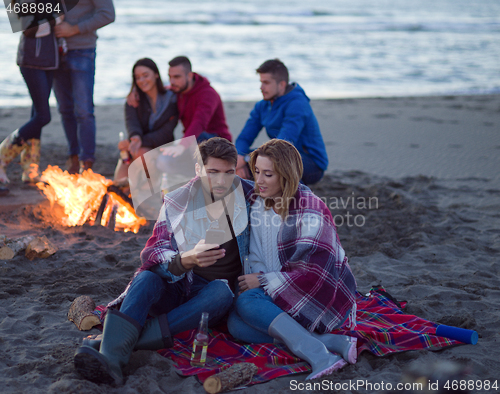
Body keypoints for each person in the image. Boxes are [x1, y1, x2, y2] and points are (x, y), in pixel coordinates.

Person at [73, 137, 254, 386]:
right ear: (198, 170)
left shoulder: (249, 195)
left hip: (211, 298)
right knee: (146, 277)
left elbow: (289, 190)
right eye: (213, 172)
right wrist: (185, 261)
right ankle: (114, 358)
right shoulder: (178, 200)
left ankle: (112, 349)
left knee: (222, 292)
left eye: (228, 173)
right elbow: (152, 254)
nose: (221, 181)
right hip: (178, 286)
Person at [228, 139, 357, 380]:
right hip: (275, 288)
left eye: (268, 174)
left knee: (246, 304)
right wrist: (263, 283)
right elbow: (255, 254)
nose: (259, 180)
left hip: (313, 294)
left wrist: (264, 282)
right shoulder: (256, 204)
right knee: (235, 325)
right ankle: (329, 342)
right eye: (256, 172)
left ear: (286, 176)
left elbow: (315, 274)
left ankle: (318, 354)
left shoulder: (310, 209)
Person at [0, 0, 63, 196]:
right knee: (44, 117)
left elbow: (57, 19)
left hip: (51, 61)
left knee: (37, 114)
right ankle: (2, 156)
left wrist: (48, 19)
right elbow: (28, 30)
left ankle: (29, 171)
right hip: (30, 60)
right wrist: (53, 20)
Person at [235, 59, 329, 185]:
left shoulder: (297, 104)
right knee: (238, 168)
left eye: (266, 83)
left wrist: (247, 159)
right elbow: (244, 138)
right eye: (261, 82)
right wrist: (239, 158)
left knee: (278, 167)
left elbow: (282, 144)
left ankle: (294, 200)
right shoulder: (262, 106)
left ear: (282, 84)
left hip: (310, 162)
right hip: (278, 155)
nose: (261, 88)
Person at [52, 0, 115, 174]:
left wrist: (74, 29)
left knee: (84, 110)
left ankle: (86, 161)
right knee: (64, 109)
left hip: (82, 49)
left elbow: (108, 14)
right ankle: (73, 155)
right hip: (52, 51)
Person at [113, 58, 178, 183]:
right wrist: (135, 138)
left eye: (145, 75)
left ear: (156, 74)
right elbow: (132, 123)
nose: (141, 81)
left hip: (162, 147)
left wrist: (138, 142)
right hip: (137, 148)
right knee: (119, 184)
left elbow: (166, 133)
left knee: (141, 153)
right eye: (137, 77)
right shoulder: (134, 99)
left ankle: (148, 190)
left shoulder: (172, 99)